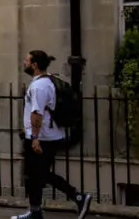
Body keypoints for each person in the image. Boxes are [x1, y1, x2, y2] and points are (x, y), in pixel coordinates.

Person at [13, 50, 92, 219]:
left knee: (40, 174)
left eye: (26, 60)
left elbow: (37, 113)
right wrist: (27, 130)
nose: (23, 63)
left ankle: (78, 197)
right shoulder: (44, 82)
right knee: (36, 176)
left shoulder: (39, 86)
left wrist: (34, 138)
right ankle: (35, 211)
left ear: (34, 65)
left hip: (43, 139)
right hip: (44, 136)